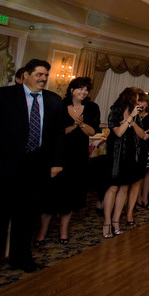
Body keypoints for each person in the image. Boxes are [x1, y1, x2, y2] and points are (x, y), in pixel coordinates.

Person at [0, 58, 64, 281]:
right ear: (26, 75)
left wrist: (55, 162)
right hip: (4, 167)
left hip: (37, 168)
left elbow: (57, 136)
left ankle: (21, 258)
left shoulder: (53, 100)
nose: (43, 78)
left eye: (46, 75)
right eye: (39, 74)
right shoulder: (3, 96)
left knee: (27, 217)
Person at [35, 76, 100, 246]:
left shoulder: (92, 108)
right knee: (50, 196)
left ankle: (63, 230)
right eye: (80, 88)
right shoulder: (59, 106)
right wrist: (72, 126)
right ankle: (42, 232)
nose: (83, 92)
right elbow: (52, 133)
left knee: (70, 197)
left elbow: (92, 132)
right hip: (58, 156)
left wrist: (81, 125)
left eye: (86, 90)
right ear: (72, 90)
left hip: (78, 158)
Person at [103, 88, 149, 238]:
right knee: (113, 188)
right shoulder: (115, 112)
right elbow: (118, 132)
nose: (137, 103)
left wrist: (133, 121)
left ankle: (116, 220)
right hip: (116, 154)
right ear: (128, 99)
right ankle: (107, 221)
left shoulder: (136, 116)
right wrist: (130, 118)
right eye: (135, 99)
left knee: (124, 188)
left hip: (130, 153)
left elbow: (143, 135)